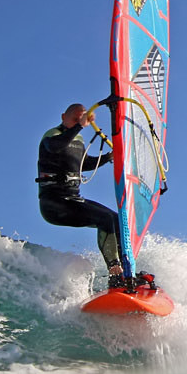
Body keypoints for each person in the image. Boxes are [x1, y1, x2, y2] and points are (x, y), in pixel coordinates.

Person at [37, 103, 125, 285]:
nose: (78, 122)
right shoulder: (52, 135)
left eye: (81, 118)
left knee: (116, 220)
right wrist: (79, 125)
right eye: (74, 119)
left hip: (73, 200)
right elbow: (55, 147)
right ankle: (114, 271)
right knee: (105, 219)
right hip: (54, 202)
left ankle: (124, 272)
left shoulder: (78, 140)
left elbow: (84, 164)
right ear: (63, 117)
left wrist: (109, 157)